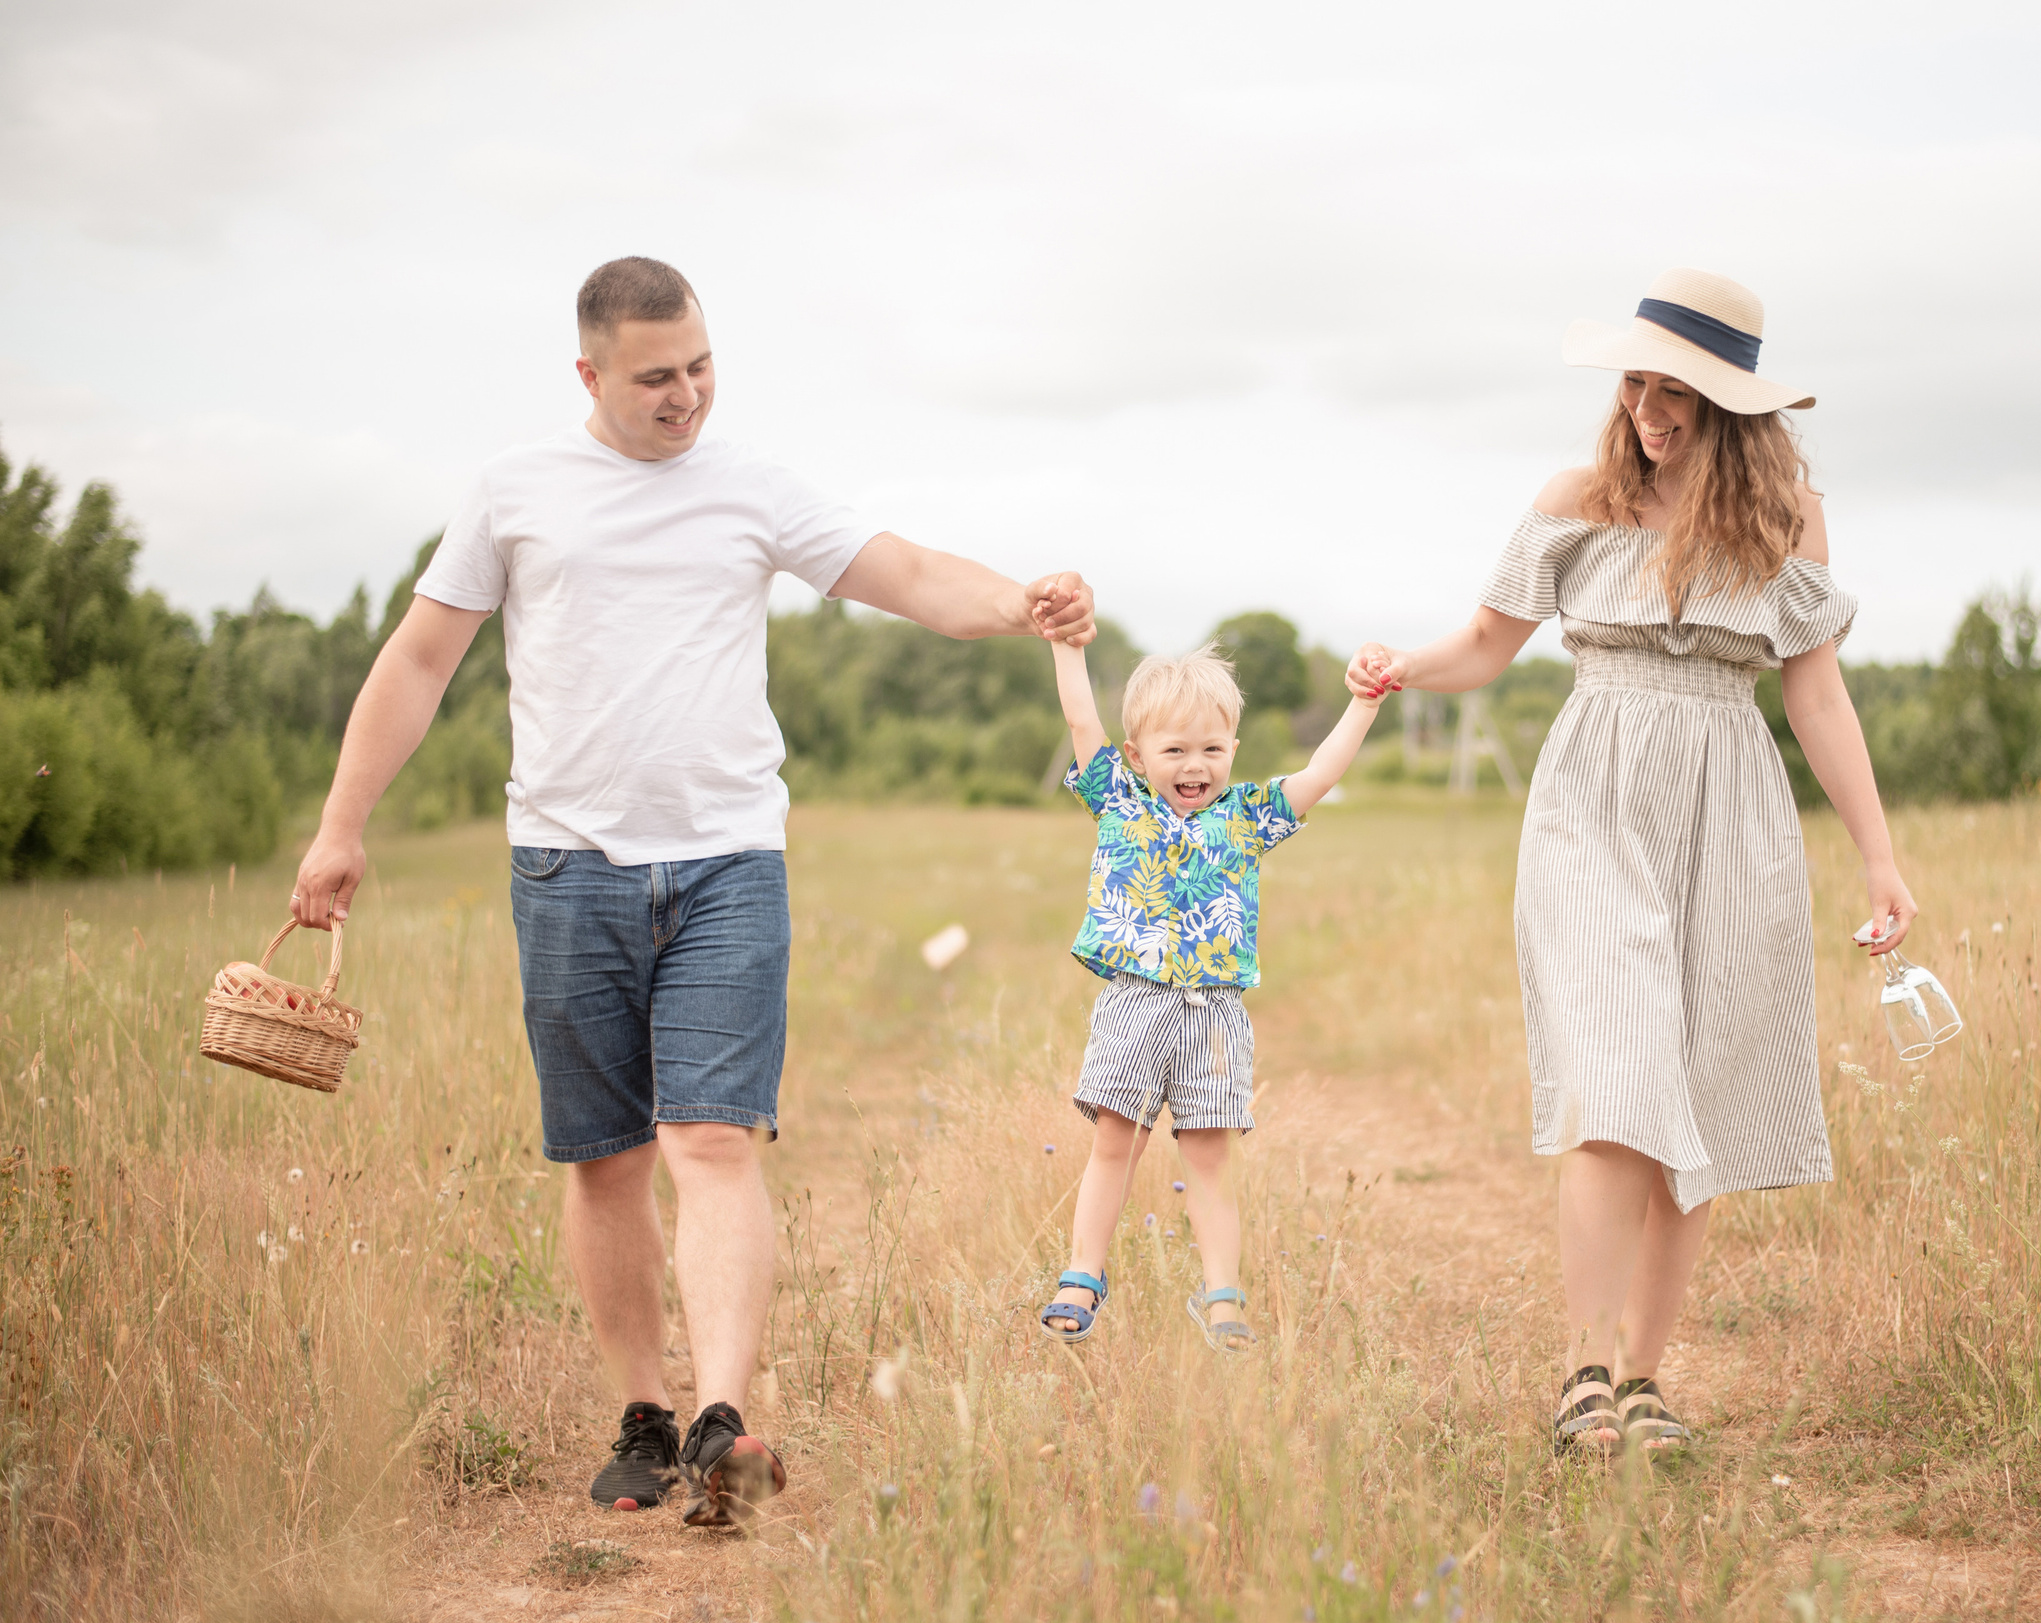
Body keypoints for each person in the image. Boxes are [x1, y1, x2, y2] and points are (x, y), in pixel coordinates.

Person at [290, 256, 1094, 1524]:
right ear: (590, 374)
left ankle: (723, 1419)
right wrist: (342, 826)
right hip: (565, 869)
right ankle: (645, 1416)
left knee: (712, 1139)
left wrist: (1021, 601)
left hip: (728, 860)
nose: (687, 395)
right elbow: (420, 660)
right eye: (657, 375)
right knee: (605, 1162)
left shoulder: (750, 486)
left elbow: (907, 575)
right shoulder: (514, 493)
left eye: (702, 366)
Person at [1347, 268, 1917, 1455]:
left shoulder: (1789, 519)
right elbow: (1487, 643)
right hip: (1595, 793)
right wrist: (1399, 665)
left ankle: (1645, 1378)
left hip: (1730, 801)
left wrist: (1879, 858)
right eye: (1638, 384)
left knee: (1692, 1092)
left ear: (1735, 410)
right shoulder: (1581, 497)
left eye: (1677, 394)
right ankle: (1584, 1374)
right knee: (1614, 1078)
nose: (1649, 411)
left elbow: (1815, 694)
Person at [1037, 639, 1381, 1351]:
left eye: (1213, 748)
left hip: (1215, 1015)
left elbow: (1320, 772)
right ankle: (1082, 1274)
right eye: (1175, 751)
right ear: (1136, 755)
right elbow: (1080, 720)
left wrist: (1363, 703)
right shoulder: (1117, 798)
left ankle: (1222, 1292)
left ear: (1231, 747)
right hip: (1134, 1002)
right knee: (1114, 1144)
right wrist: (1067, 649)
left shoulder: (1248, 816)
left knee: (1210, 1157)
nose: (1196, 766)